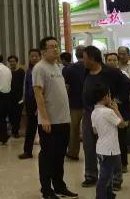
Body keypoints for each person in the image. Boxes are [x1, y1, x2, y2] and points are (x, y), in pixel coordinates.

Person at [81, 46, 130, 189]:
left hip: (107, 113)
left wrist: (116, 101)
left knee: (111, 146)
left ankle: (116, 179)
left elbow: (129, 86)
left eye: (85, 58)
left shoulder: (112, 72)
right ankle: (91, 175)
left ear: (92, 59)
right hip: (90, 113)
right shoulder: (85, 71)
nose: (83, 61)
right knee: (89, 145)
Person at [33, 36, 77, 199]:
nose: (56, 49)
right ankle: (46, 190)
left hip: (63, 119)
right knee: (48, 156)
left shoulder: (57, 67)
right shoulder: (40, 68)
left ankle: (59, 185)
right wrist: (44, 118)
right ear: (43, 51)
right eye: (51, 46)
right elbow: (38, 94)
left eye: (57, 46)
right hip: (49, 122)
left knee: (59, 155)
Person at [91, 83, 127, 199]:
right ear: (105, 97)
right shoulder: (108, 112)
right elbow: (122, 124)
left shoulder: (94, 112)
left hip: (100, 147)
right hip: (109, 149)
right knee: (105, 176)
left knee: (107, 173)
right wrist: (116, 109)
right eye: (109, 95)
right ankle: (101, 196)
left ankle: (109, 195)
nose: (110, 98)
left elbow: (95, 131)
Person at [63, 45, 86, 161]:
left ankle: (73, 152)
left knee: (73, 130)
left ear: (76, 55)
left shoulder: (69, 69)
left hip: (73, 104)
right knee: (89, 129)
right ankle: (91, 153)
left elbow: (66, 87)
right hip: (89, 104)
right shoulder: (91, 67)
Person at [19, 48, 42, 159]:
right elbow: (26, 87)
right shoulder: (29, 70)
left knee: (42, 128)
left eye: (36, 56)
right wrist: (25, 101)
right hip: (30, 102)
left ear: (40, 57)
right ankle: (27, 151)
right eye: (32, 56)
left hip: (40, 101)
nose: (34, 58)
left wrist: (40, 105)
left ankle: (45, 152)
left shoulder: (42, 70)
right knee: (31, 127)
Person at [117, 46, 130, 153]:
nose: (121, 56)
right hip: (117, 96)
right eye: (119, 54)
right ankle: (122, 143)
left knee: (129, 120)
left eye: (124, 54)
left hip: (129, 96)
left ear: (128, 55)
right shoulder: (116, 65)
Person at [8, 55, 25, 138]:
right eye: (10, 61)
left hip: (19, 98)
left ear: (16, 62)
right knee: (10, 115)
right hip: (9, 97)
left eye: (13, 61)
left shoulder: (21, 71)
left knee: (17, 115)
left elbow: (24, 84)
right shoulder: (7, 72)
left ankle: (15, 131)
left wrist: (23, 97)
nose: (12, 63)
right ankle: (13, 129)